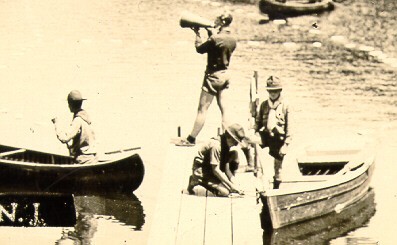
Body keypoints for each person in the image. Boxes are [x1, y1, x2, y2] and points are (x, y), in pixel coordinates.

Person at [177, 12, 237, 146]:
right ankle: (227, 138)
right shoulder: (233, 39)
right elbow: (218, 46)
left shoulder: (215, 39)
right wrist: (212, 34)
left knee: (202, 109)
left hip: (212, 77)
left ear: (221, 22)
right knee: (225, 109)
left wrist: (197, 34)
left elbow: (200, 49)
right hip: (225, 75)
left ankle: (191, 139)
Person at [186, 123, 247, 197]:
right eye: (235, 141)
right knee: (225, 192)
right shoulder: (216, 146)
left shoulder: (226, 143)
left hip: (212, 166)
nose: (236, 144)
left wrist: (235, 184)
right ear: (229, 137)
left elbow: (227, 169)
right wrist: (231, 186)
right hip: (202, 171)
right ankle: (196, 180)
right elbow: (216, 170)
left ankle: (224, 183)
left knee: (234, 154)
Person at [254, 76, 292, 189]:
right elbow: (258, 122)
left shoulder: (285, 105)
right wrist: (253, 130)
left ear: (280, 91)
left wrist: (286, 144)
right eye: (270, 91)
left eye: (275, 91)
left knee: (278, 167)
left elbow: (290, 127)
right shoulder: (264, 105)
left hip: (279, 138)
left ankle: (276, 188)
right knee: (249, 139)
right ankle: (253, 166)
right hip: (267, 135)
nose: (273, 94)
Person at [52, 90, 98, 164]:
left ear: (71, 104)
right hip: (92, 158)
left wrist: (56, 124)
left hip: (84, 160)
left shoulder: (78, 120)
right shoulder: (86, 117)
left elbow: (64, 138)